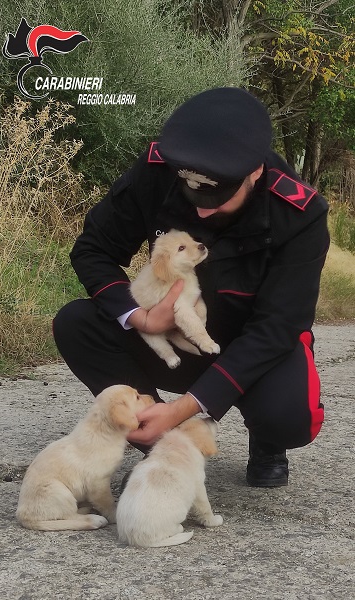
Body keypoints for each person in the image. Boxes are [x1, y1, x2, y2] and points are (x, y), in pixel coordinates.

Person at [53, 87, 329, 487]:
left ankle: (267, 442)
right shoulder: (157, 169)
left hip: (247, 350)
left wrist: (187, 406)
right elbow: (93, 249)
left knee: (289, 417)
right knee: (76, 323)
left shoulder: (299, 214)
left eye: (219, 197)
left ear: (254, 172)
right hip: (172, 340)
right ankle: (163, 439)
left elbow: (279, 326)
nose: (203, 209)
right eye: (193, 193)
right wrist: (142, 318)